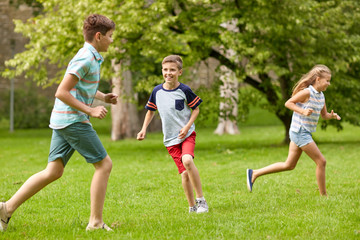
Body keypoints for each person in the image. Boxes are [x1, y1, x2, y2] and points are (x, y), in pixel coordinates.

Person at [0, 14, 117, 232]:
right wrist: (91, 109)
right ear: (98, 36)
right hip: (73, 120)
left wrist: (102, 98)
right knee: (104, 165)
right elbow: (61, 92)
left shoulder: (89, 56)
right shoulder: (86, 58)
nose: (112, 40)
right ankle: (95, 222)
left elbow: (80, 87)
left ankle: (6, 209)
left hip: (63, 119)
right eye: (110, 36)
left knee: (53, 171)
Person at [246, 64, 341, 196]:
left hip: (302, 131)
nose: (329, 83)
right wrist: (303, 111)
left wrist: (331, 116)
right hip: (300, 131)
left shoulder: (321, 96)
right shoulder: (307, 92)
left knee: (289, 165)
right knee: (321, 161)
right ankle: (323, 196)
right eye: (327, 80)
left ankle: (254, 173)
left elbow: (323, 115)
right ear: (318, 79)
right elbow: (288, 103)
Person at [137, 55, 209, 213]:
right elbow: (150, 112)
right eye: (165, 69)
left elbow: (196, 109)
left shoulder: (184, 90)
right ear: (162, 70)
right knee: (184, 174)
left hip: (187, 135)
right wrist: (143, 129)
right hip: (170, 140)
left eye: (172, 70)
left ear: (180, 72)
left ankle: (201, 200)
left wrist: (187, 126)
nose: (168, 73)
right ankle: (192, 207)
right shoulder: (157, 91)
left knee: (188, 160)